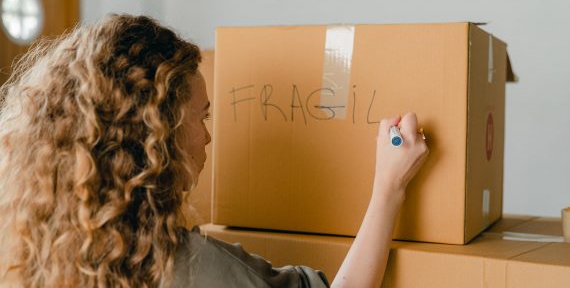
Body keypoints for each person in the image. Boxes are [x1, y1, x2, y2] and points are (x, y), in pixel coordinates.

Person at [0, 14, 429, 288]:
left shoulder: (39, 250)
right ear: (159, 133)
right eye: (202, 117)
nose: (208, 138)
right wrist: (389, 187)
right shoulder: (182, 268)